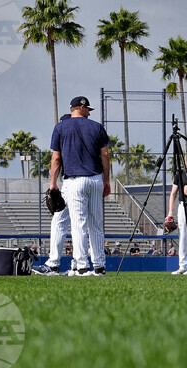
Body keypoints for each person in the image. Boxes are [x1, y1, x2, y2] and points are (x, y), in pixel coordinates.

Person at [50, 95, 111, 276]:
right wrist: (106, 180)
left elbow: (56, 158)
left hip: (74, 181)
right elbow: (105, 155)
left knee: (78, 224)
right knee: (96, 224)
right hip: (95, 179)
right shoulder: (96, 127)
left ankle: (82, 265)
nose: (88, 112)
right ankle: (99, 266)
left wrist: (53, 182)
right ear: (83, 108)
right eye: (87, 109)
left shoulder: (60, 127)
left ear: (73, 109)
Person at [34, 115, 79, 276]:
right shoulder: (83, 136)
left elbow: (57, 159)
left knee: (64, 222)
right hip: (88, 183)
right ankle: (76, 266)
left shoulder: (66, 137)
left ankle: (57, 264)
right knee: (78, 224)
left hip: (72, 184)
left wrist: (52, 184)